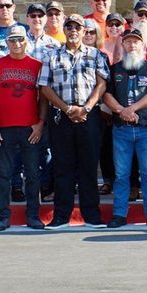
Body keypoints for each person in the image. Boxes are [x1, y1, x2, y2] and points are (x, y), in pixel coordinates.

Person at [38, 14, 109, 229]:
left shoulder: (96, 55)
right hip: (62, 116)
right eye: (69, 27)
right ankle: (61, 215)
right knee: (63, 166)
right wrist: (67, 108)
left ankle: (91, 215)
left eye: (78, 28)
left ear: (84, 31)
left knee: (88, 166)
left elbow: (101, 84)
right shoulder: (51, 56)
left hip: (89, 115)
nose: (73, 31)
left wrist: (86, 108)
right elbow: (45, 87)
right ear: (65, 30)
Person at [0, 25, 47, 231]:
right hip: (4, 128)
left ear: (26, 41)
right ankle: (3, 216)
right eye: (12, 40)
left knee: (33, 174)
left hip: (30, 128)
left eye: (20, 39)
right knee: (3, 174)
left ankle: (33, 216)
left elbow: (44, 98)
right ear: (7, 42)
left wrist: (40, 124)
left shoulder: (37, 65)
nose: (17, 44)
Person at [104, 28, 147, 228]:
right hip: (121, 130)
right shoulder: (114, 69)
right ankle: (119, 215)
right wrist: (122, 111)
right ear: (122, 45)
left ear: (143, 45)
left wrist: (131, 109)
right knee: (121, 175)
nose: (132, 45)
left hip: (146, 129)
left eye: (136, 42)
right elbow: (107, 95)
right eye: (128, 41)